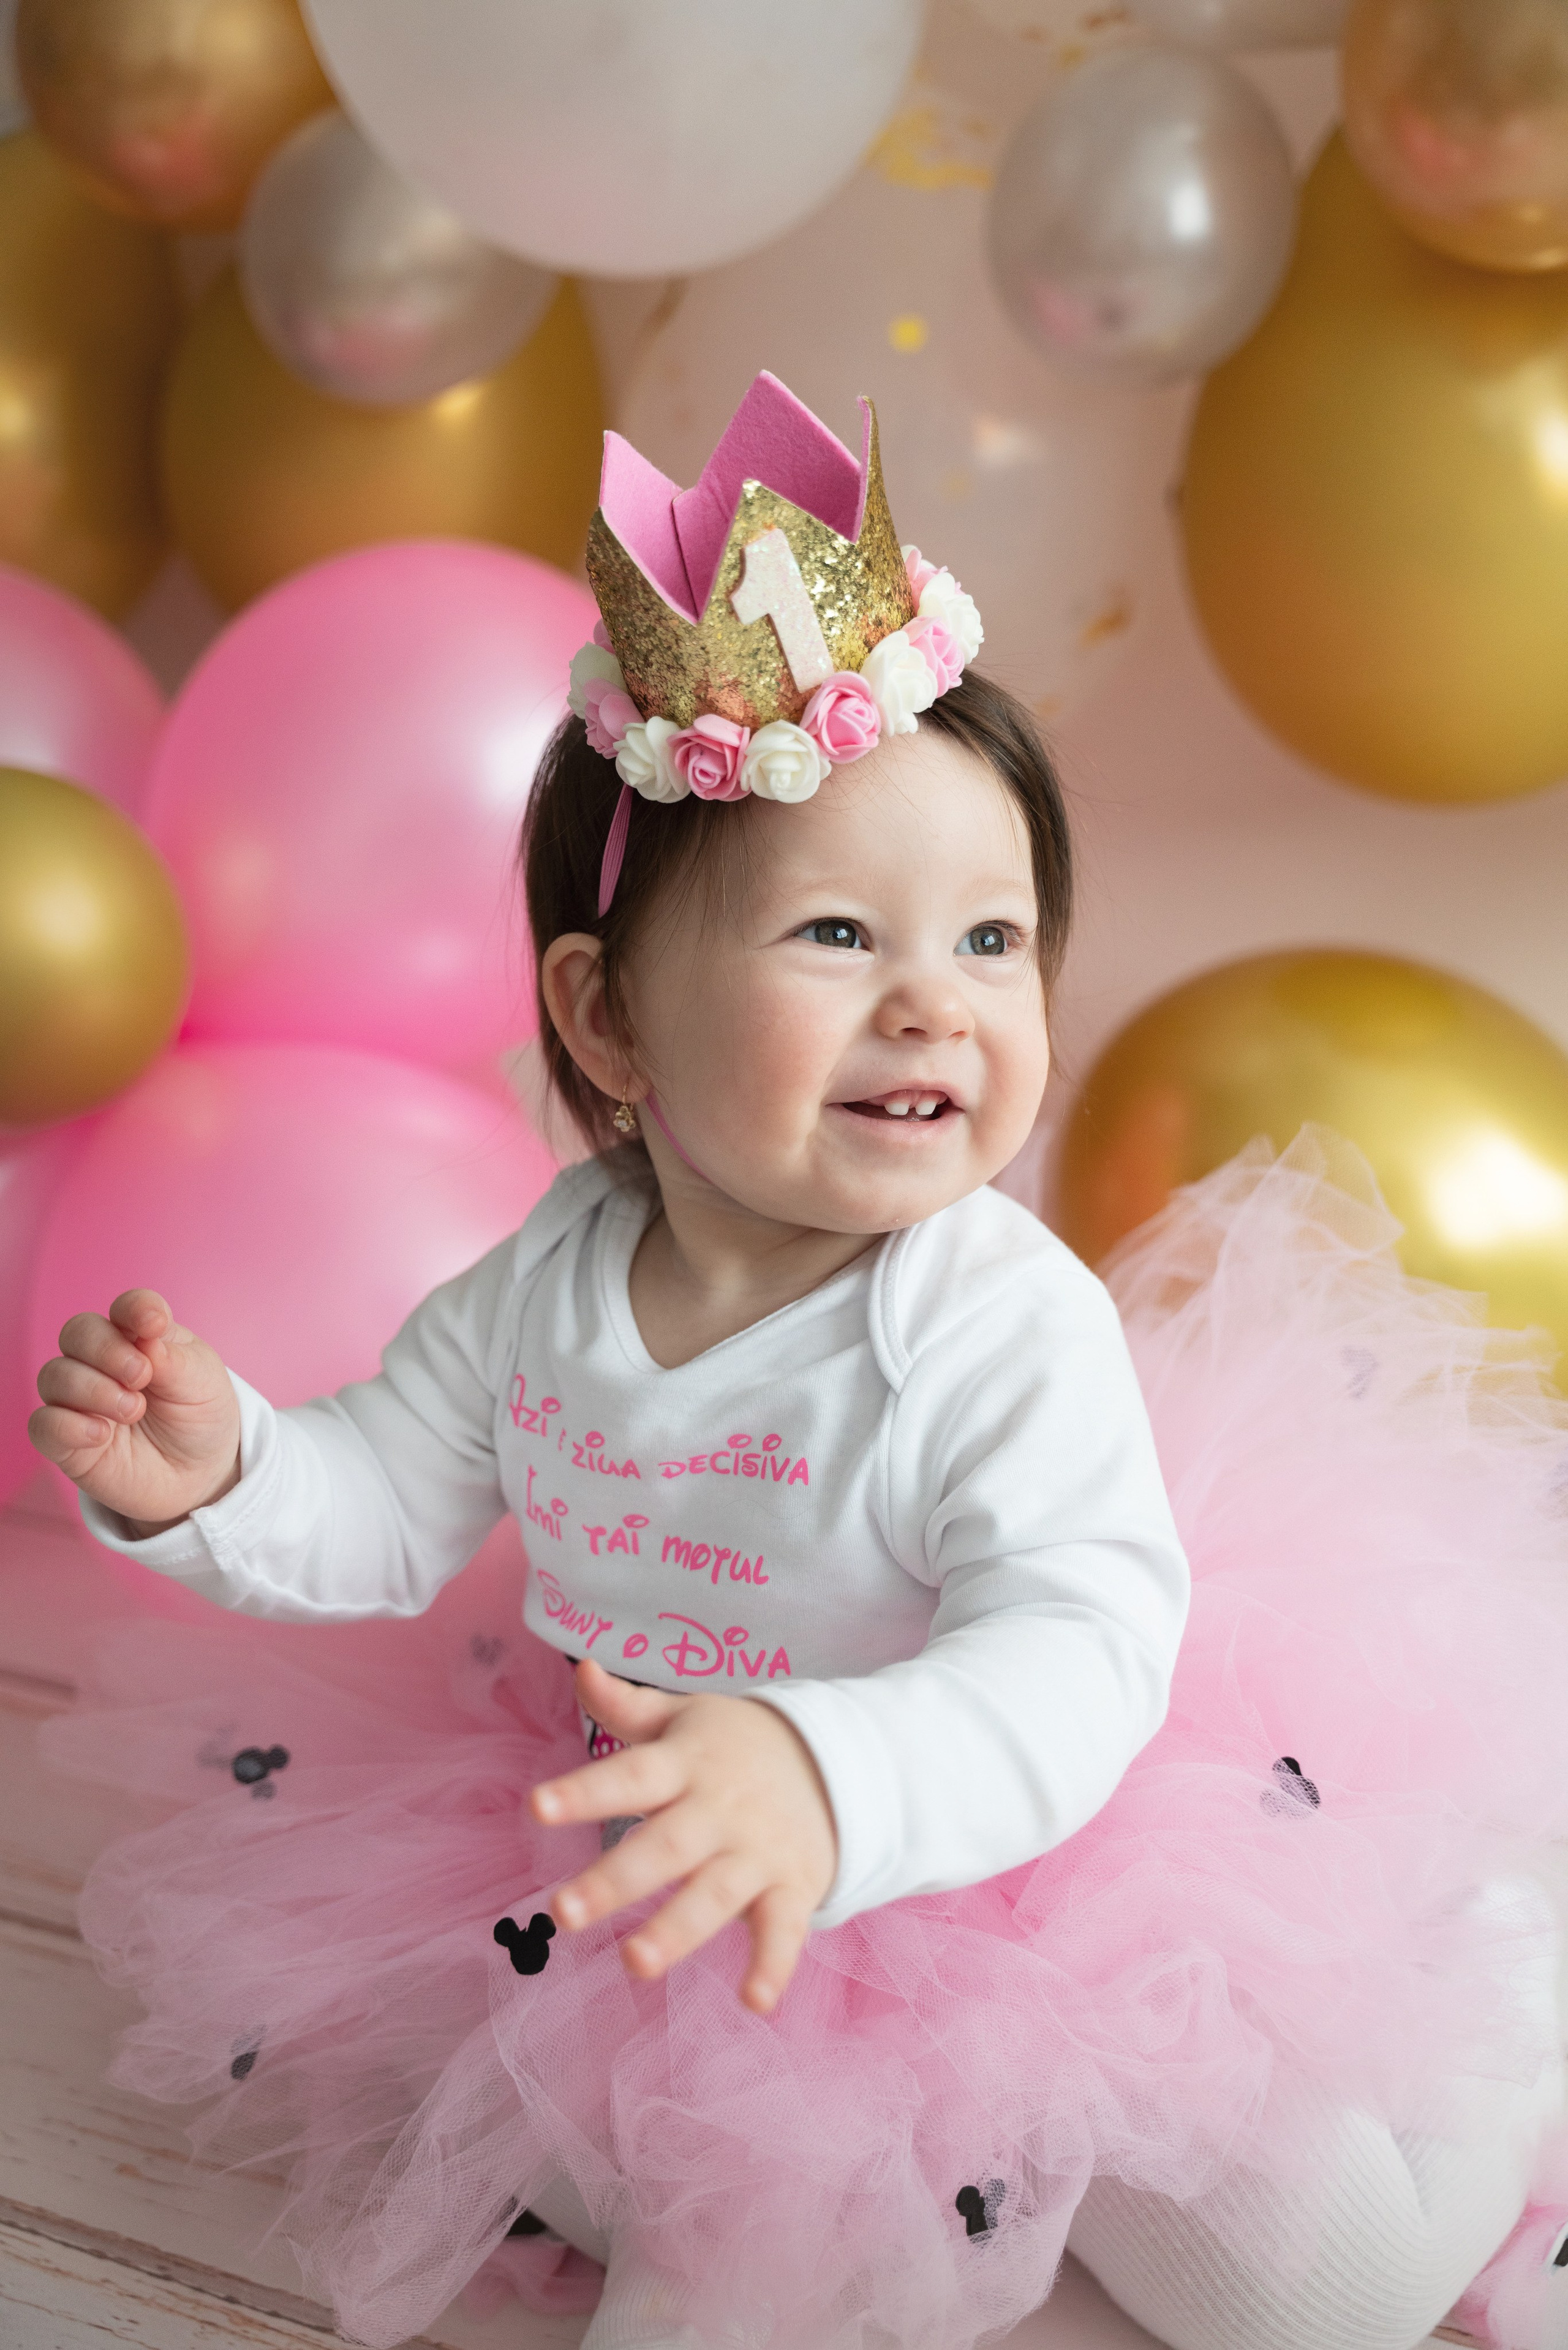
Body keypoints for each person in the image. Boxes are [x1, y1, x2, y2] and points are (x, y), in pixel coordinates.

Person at [31, 374, 1568, 2350]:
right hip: (693, 1879)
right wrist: (223, 1471)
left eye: (996, 941)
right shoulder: (554, 1279)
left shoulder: (995, 1326)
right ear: (607, 1022)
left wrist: (831, 1772)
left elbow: (1082, 1644)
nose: (940, 1001)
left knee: (1313, 2301)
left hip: (1032, 1871)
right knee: (696, 2267)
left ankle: (1508, 2012)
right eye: (841, 932)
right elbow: (389, 1502)